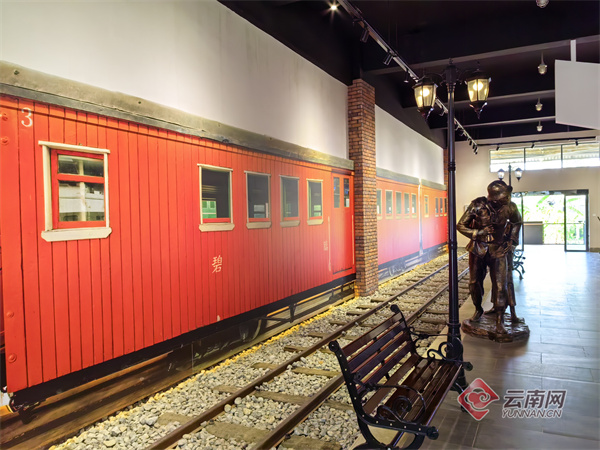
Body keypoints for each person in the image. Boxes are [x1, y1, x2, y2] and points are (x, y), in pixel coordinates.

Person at [457, 180, 522, 333]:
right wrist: (478, 233)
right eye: (504, 197)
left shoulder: (510, 207)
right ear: (494, 198)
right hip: (478, 249)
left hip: (498, 249)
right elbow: (461, 225)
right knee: (474, 283)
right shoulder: (477, 205)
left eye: (507, 196)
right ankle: (478, 309)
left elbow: (517, 222)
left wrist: (512, 241)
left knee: (500, 284)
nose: (507, 199)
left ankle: (500, 320)